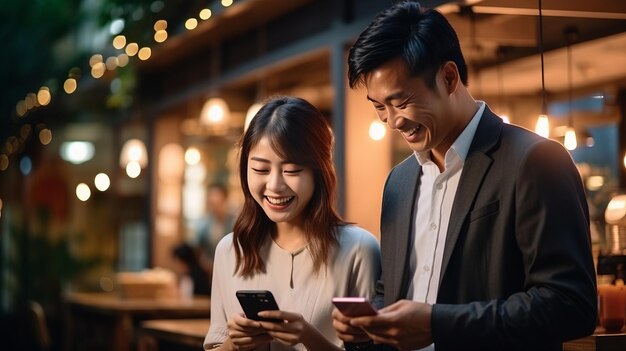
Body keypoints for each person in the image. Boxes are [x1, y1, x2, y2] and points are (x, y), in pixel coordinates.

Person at [332, 1, 597, 351]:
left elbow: (570, 304)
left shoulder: (535, 160)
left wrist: (436, 324)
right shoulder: (398, 182)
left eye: (402, 100)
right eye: (379, 107)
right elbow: (393, 291)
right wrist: (370, 322)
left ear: (449, 77)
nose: (393, 120)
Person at [203, 96, 381, 351]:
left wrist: (308, 336)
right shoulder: (230, 251)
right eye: (261, 170)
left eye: (292, 171)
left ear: (319, 171)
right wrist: (235, 344)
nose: (274, 186)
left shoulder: (359, 249)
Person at [191, 182, 237, 275]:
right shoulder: (204, 224)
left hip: (230, 270)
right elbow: (198, 249)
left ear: (225, 200)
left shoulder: (234, 222)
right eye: (212, 203)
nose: (216, 206)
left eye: (218, 202)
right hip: (208, 271)